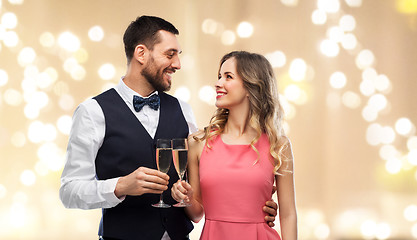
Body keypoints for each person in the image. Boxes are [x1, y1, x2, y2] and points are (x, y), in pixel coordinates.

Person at [59, 16, 278, 240]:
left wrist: (255, 207)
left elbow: (204, 186)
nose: (177, 64)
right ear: (141, 53)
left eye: (178, 56)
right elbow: (69, 191)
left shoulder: (183, 109)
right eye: (169, 54)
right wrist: (121, 186)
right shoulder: (92, 112)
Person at [171, 51, 298, 240]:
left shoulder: (278, 145)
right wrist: (186, 198)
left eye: (228, 77)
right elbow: (197, 214)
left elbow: (288, 215)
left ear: (251, 84)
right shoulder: (198, 143)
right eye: (219, 76)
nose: (218, 83)